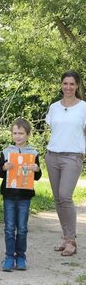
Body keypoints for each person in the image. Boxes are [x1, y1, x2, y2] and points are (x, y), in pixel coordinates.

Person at [45, 70, 86, 257]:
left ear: (77, 86)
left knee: (65, 196)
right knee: (57, 199)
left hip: (73, 157)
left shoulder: (83, 107)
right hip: (52, 155)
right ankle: (65, 237)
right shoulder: (54, 107)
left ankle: (71, 241)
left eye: (72, 84)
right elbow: (54, 131)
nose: (68, 87)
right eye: (65, 83)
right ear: (61, 85)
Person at [0, 118, 42, 271]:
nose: (18, 136)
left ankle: (21, 256)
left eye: (21, 133)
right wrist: (4, 166)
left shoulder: (33, 153)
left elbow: (37, 176)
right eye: (15, 133)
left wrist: (36, 168)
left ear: (28, 134)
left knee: (22, 228)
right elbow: (0, 174)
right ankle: (9, 256)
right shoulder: (6, 152)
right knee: (9, 227)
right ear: (11, 134)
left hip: (25, 197)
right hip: (9, 195)